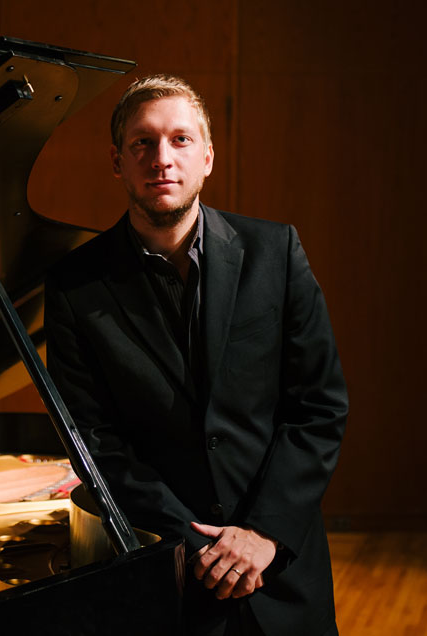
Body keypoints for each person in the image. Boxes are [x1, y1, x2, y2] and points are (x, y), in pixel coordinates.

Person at [44, 74, 348, 636]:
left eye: (180, 140)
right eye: (143, 143)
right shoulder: (74, 286)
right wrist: (194, 543)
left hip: (280, 568)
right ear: (117, 161)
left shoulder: (275, 253)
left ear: (207, 157)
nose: (162, 158)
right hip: (170, 574)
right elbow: (93, 440)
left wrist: (262, 533)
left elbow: (319, 407)